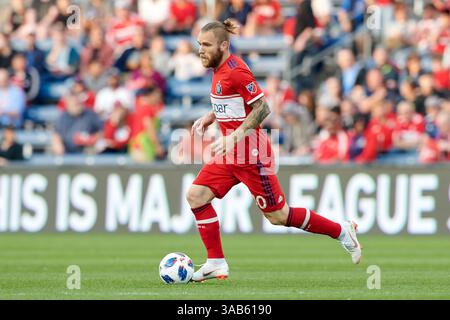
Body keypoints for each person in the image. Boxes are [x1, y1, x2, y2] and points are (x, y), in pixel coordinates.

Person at [188, 20, 362, 282]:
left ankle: (342, 231)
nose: (201, 49)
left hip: (252, 156)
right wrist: (211, 116)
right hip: (231, 154)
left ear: (224, 45)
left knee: (278, 217)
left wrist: (234, 135)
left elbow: (262, 108)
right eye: (199, 44)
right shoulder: (218, 68)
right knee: (196, 196)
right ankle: (216, 262)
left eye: (206, 45)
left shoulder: (236, 70)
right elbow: (235, 102)